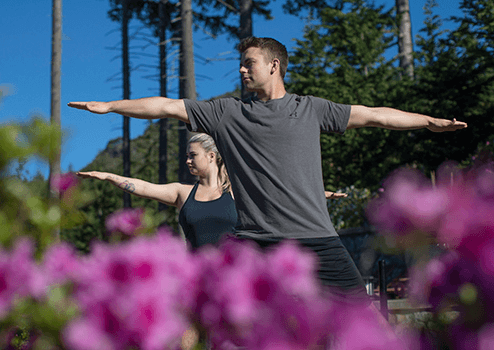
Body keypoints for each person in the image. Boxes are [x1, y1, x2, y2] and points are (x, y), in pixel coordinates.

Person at [68, 36, 467, 301]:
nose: (241, 70)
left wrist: (428, 121)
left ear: (274, 65)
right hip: (255, 242)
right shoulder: (226, 113)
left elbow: (375, 115)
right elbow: (167, 106)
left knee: (358, 317)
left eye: (249, 63)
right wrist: (110, 106)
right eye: (241, 65)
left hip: (316, 239)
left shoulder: (311, 109)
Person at [77, 132, 346, 250]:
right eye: (187, 156)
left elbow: (282, 194)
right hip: (195, 277)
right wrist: (108, 176)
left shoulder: (239, 192)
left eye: (193, 156)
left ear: (212, 156)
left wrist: (320, 194)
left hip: (233, 278)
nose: (188, 161)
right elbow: (145, 188)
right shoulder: (183, 193)